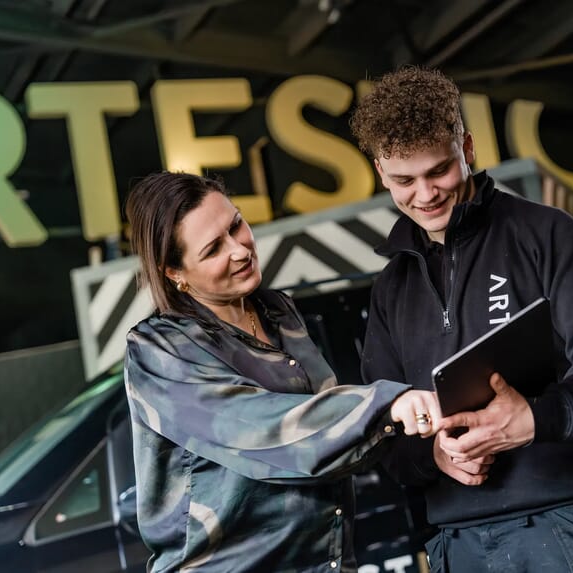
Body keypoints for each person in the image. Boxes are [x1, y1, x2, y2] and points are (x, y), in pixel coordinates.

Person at [350, 67, 573, 572]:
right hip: (461, 547)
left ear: (467, 148)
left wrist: (535, 419)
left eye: (439, 171)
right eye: (405, 181)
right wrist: (434, 457)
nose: (426, 194)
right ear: (381, 173)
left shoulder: (547, 233)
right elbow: (382, 424)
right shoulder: (391, 289)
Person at [122, 171, 442, 573]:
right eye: (213, 249)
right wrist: (387, 404)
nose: (239, 250)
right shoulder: (159, 350)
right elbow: (259, 429)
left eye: (236, 225)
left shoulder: (278, 312)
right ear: (175, 272)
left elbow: (331, 435)